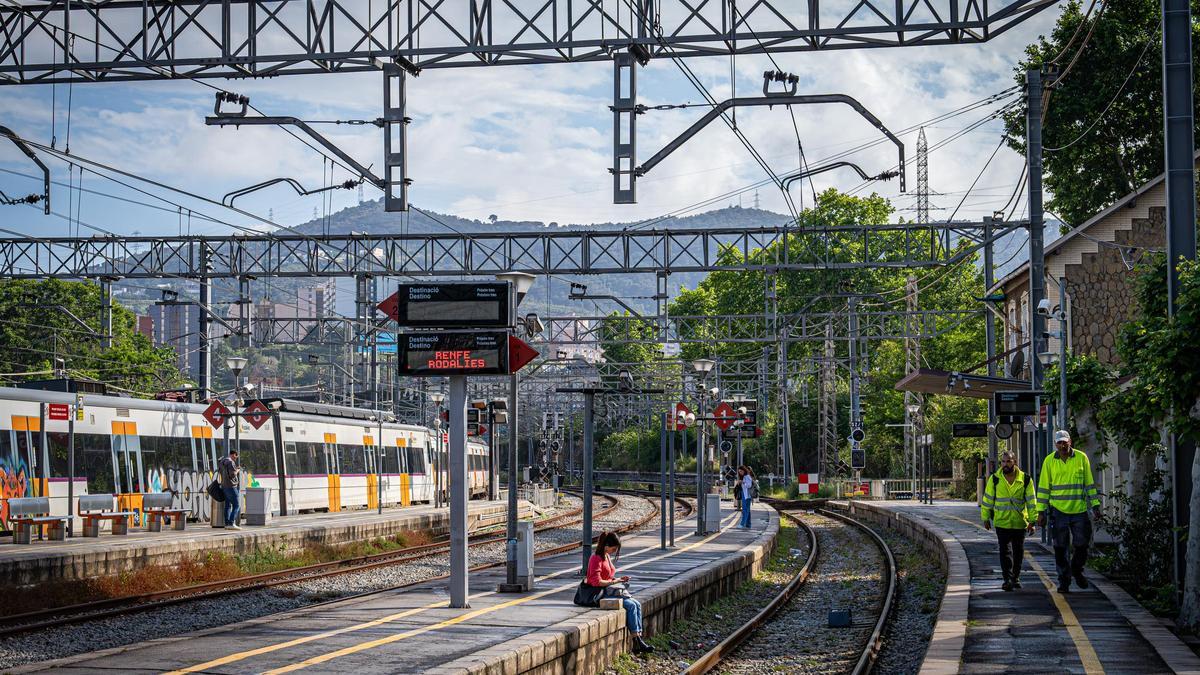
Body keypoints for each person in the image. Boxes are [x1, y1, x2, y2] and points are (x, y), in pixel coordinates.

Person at [1036, 430, 1101, 593]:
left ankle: (1077, 570)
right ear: (1055, 444)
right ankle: (1064, 581)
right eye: (1059, 443)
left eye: (1065, 442)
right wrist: (1041, 512)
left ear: (1070, 442)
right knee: (1060, 548)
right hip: (1058, 511)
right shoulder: (1049, 461)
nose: (1062, 445)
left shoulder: (1081, 458)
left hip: (1079, 510)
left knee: (1082, 544)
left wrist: (1095, 506)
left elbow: (1089, 484)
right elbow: (1044, 488)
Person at [586, 531, 653, 654]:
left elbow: (608, 576)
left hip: (609, 589)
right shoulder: (596, 558)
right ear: (606, 545)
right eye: (614, 548)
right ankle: (637, 640)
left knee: (637, 604)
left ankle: (638, 639)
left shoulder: (606, 556)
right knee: (631, 605)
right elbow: (597, 582)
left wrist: (619, 579)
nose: (614, 551)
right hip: (600, 592)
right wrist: (615, 581)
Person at [981, 451, 1036, 591]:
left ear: (1015, 462)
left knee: (1018, 552)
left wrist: (1032, 521)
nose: (1005, 464)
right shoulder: (995, 479)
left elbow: (1031, 502)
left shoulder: (1026, 479)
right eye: (1003, 462)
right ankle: (1007, 579)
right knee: (1005, 552)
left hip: (1019, 522)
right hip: (1001, 522)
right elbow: (987, 500)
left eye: (1009, 461)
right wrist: (985, 518)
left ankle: (1015, 577)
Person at [218, 449, 242, 530]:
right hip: (231, 486)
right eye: (236, 456)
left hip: (224, 486)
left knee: (227, 506)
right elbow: (233, 475)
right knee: (237, 505)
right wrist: (238, 470)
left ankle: (227, 523)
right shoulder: (231, 462)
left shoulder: (222, 462)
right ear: (233, 454)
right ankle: (231, 523)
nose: (236, 458)